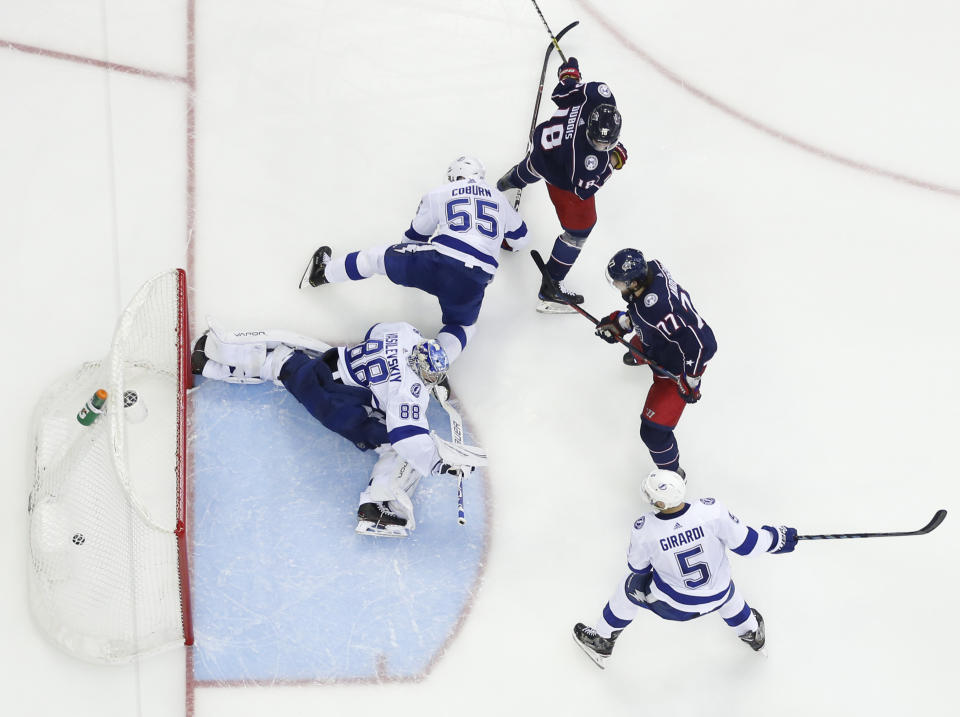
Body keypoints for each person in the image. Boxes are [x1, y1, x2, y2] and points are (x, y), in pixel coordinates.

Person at [191, 320, 474, 537]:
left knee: (284, 363)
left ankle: (211, 359)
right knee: (397, 450)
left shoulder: (404, 335)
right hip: (338, 405)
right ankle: (378, 507)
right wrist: (441, 463)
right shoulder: (408, 390)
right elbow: (407, 437)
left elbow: (375, 330)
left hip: (325, 366)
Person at [300, 156, 528, 364]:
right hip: (477, 275)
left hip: (440, 261)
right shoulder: (500, 199)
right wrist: (502, 240)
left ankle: (323, 273)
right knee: (463, 326)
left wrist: (407, 262)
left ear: (453, 176)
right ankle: (432, 366)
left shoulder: (440, 192)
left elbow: (414, 237)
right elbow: (521, 240)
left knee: (377, 258)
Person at [572, 469, 798, 668]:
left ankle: (602, 640)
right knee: (723, 588)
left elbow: (637, 567)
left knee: (629, 587)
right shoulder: (712, 510)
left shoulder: (646, 529)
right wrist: (777, 537)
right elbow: (748, 545)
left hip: (675, 606)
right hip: (721, 595)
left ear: (658, 503)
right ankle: (752, 633)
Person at [496, 56, 628, 313]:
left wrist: (569, 75)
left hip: (543, 146)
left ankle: (500, 185)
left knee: (530, 167)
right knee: (579, 231)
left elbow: (564, 92)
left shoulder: (596, 93)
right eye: (601, 145)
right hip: (560, 173)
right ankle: (551, 288)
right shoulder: (586, 159)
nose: (602, 148)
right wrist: (613, 160)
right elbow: (584, 189)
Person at [594, 248, 717, 475]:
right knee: (645, 341)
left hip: (675, 368)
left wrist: (691, 381)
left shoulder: (659, 308)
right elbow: (644, 314)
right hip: (660, 342)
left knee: (653, 434)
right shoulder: (652, 269)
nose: (617, 286)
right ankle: (644, 352)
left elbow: (705, 345)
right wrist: (621, 323)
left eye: (620, 283)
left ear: (634, 283)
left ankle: (672, 475)